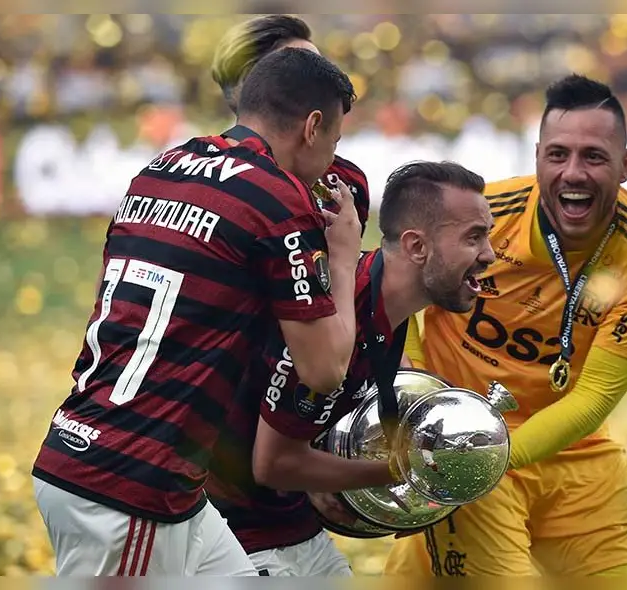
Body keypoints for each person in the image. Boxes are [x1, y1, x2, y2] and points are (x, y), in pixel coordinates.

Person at [31, 48, 362, 576]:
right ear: (313, 126)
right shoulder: (276, 198)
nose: (331, 162)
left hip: (115, 459)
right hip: (132, 483)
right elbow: (323, 370)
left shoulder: (159, 168)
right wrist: (343, 258)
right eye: (334, 143)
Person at [385, 74, 627, 577]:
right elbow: (391, 288)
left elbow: (591, 399)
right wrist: (419, 395)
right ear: (537, 157)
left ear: (626, 164)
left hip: (576, 459)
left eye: (593, 156)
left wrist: (494, 455)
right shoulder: (484, 217)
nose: (573, 173)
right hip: (461, 449)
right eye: (557, 155)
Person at [205, 161, 496, 576]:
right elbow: (273, 465)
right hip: (233, 530)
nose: (489, 254)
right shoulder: (337, 315)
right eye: (474, 237)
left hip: (282, 520)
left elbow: (389, 378)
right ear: (417, 247)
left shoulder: (378, 296)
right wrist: (406, 473)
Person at [211, 14, 371, 234]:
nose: (324, 80)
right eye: (300, 65)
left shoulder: (347, 183)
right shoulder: (203, 179)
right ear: (256, 85)